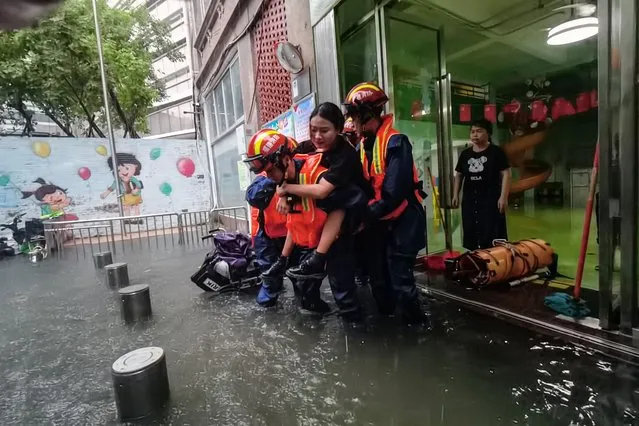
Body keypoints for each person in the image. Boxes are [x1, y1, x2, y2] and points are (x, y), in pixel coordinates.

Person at [272, 103, 370, 320]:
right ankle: (313, 318)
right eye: (313, 129)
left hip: (343, 228)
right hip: (313, 225)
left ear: (338, 129)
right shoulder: (305, 148)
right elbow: (290, 173)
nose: (317, 136)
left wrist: (286, 190)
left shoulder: (345, 155)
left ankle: (355, 331)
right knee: (306, 286)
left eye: (324, 130)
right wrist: (287, 196)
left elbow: (323, 190)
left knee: (341, 286)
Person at [344, 82, 427, 325]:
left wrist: (363, 217)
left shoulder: (396, 142)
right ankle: (389, 328)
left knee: (400, 279)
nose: (352, 120)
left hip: (402, 218)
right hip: (378, 221)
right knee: (378, 280)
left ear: (367, 113)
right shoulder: (361, 146)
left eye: (354, 114)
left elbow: (394, 192)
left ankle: (417, 328)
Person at [243, 129, 293, 307]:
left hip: (297, 236)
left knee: (304, 286)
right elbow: (253, 196)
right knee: (270, 283)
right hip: (269, 236)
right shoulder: (265, 177)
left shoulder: (298, 165)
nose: (267, 172)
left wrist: (286, 188)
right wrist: (276, 181)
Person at [452, 119, 511, 250]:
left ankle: (496, 259)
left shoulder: (496, 152)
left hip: (491, 198)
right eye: (472, 132)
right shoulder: (465, 154)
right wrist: (455, 194)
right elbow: (459, 175)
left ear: (488, 133)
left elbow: (506, 174)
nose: (475, 135)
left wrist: (503, 197)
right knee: (471, 229)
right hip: (470, 199)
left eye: (479, 131)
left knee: (493, 230)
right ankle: (475, 258)